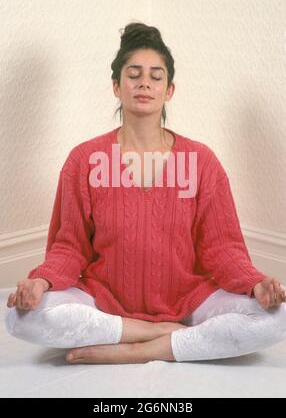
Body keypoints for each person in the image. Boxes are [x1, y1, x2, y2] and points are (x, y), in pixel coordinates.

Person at [5, 22, 286, 365]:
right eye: (134, 73)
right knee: (21, 318)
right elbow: (70, 246)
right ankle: (151, 331)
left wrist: (254, 283)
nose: (144, 83)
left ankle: (139, 350)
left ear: (169, 90)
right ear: (116, 86)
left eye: (156, 76)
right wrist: (42, 282)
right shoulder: (84, 160)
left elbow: (222, 247)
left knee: (277, 319)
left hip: (188, 300)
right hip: (105, 298)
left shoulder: (201, 161)